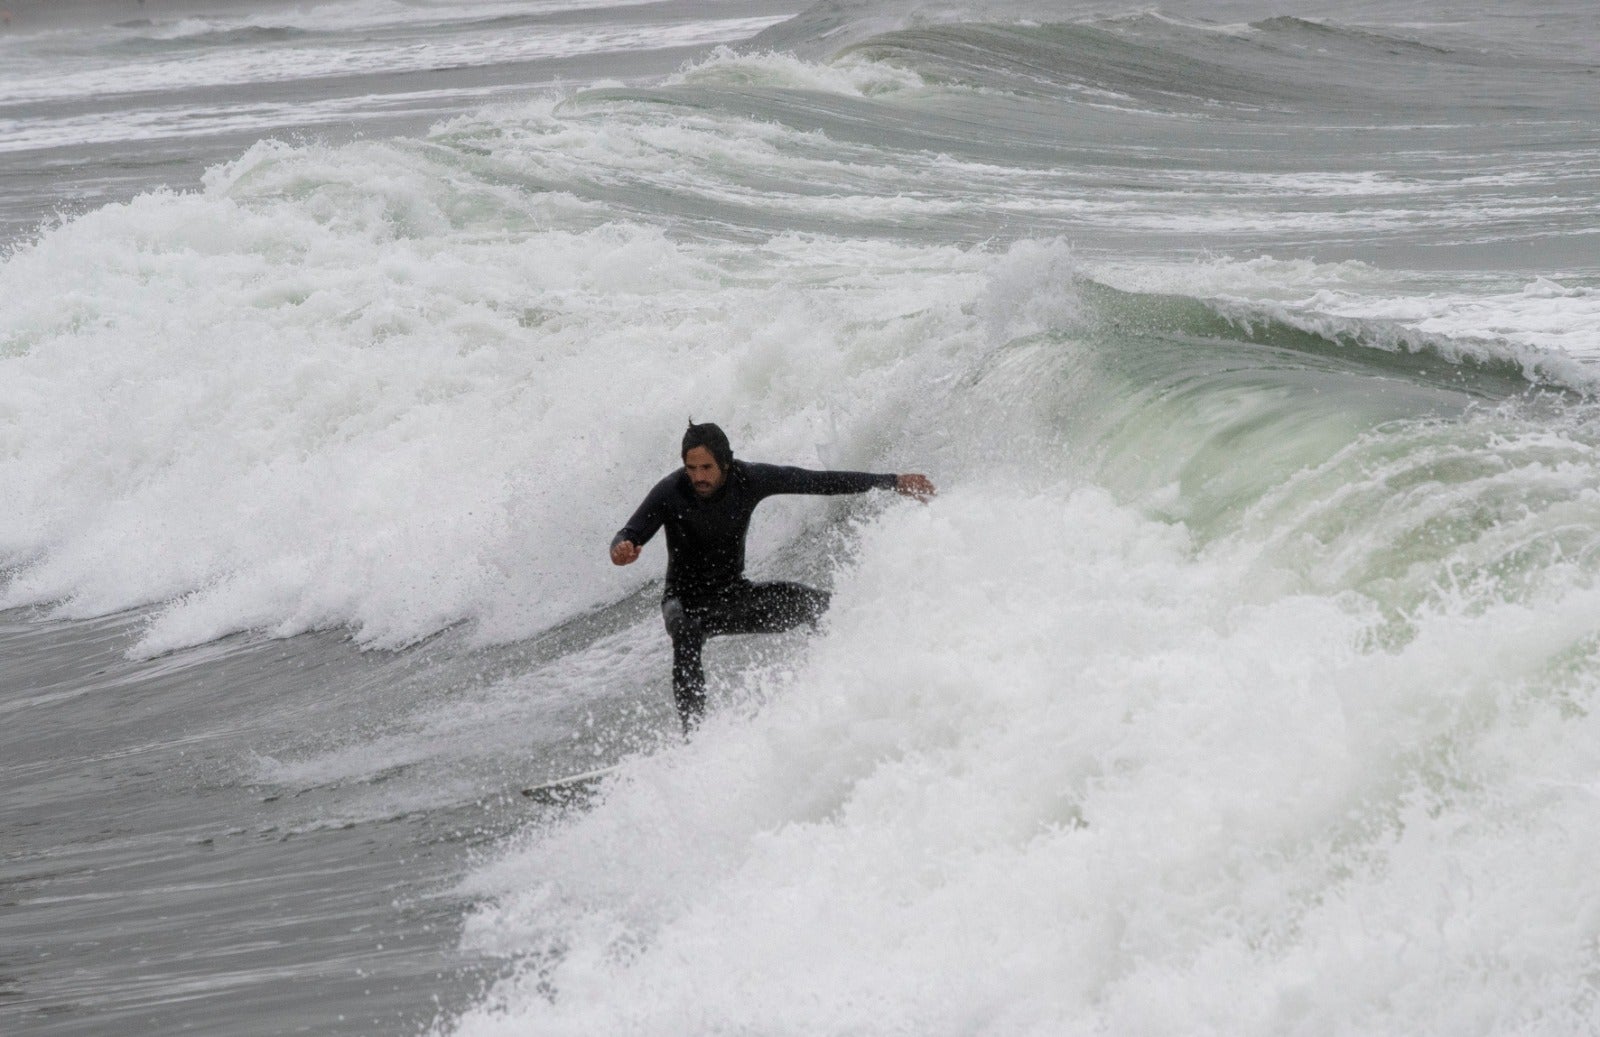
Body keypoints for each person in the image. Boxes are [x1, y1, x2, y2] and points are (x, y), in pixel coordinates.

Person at [610, 421, 935, 732]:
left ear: (726, 462)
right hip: (683, 601)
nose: (698, 477)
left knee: (821, 605)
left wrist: (893, 481)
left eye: (706, 468)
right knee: (686, 631)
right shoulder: (670, 491)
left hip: (732, 596)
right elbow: (630, 532)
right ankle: (692, 738)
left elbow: (817, 482)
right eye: (691, 468)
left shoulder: (749, 479)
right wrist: (622, 548)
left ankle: (849, 688)